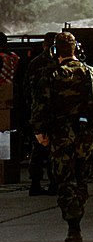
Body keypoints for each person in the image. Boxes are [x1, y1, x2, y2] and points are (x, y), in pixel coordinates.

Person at [29, 31, 93, 242]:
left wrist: (40, 132)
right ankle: (77, 215)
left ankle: (73, 225)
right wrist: (92, 122)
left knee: (65, 179)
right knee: (82, 176)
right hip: (86, 134)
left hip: (60, 134)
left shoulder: (50, 76)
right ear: (77, 49)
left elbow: (39, 106)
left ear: (55, 51)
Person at [22, 32, 57, 196]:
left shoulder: (35, 63)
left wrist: (32, 107)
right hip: (55, 113)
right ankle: (53, 183)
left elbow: (25, 88)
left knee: (38, 148)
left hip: (37, 112)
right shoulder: (59, 62)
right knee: (54, 148)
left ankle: (35, 183)